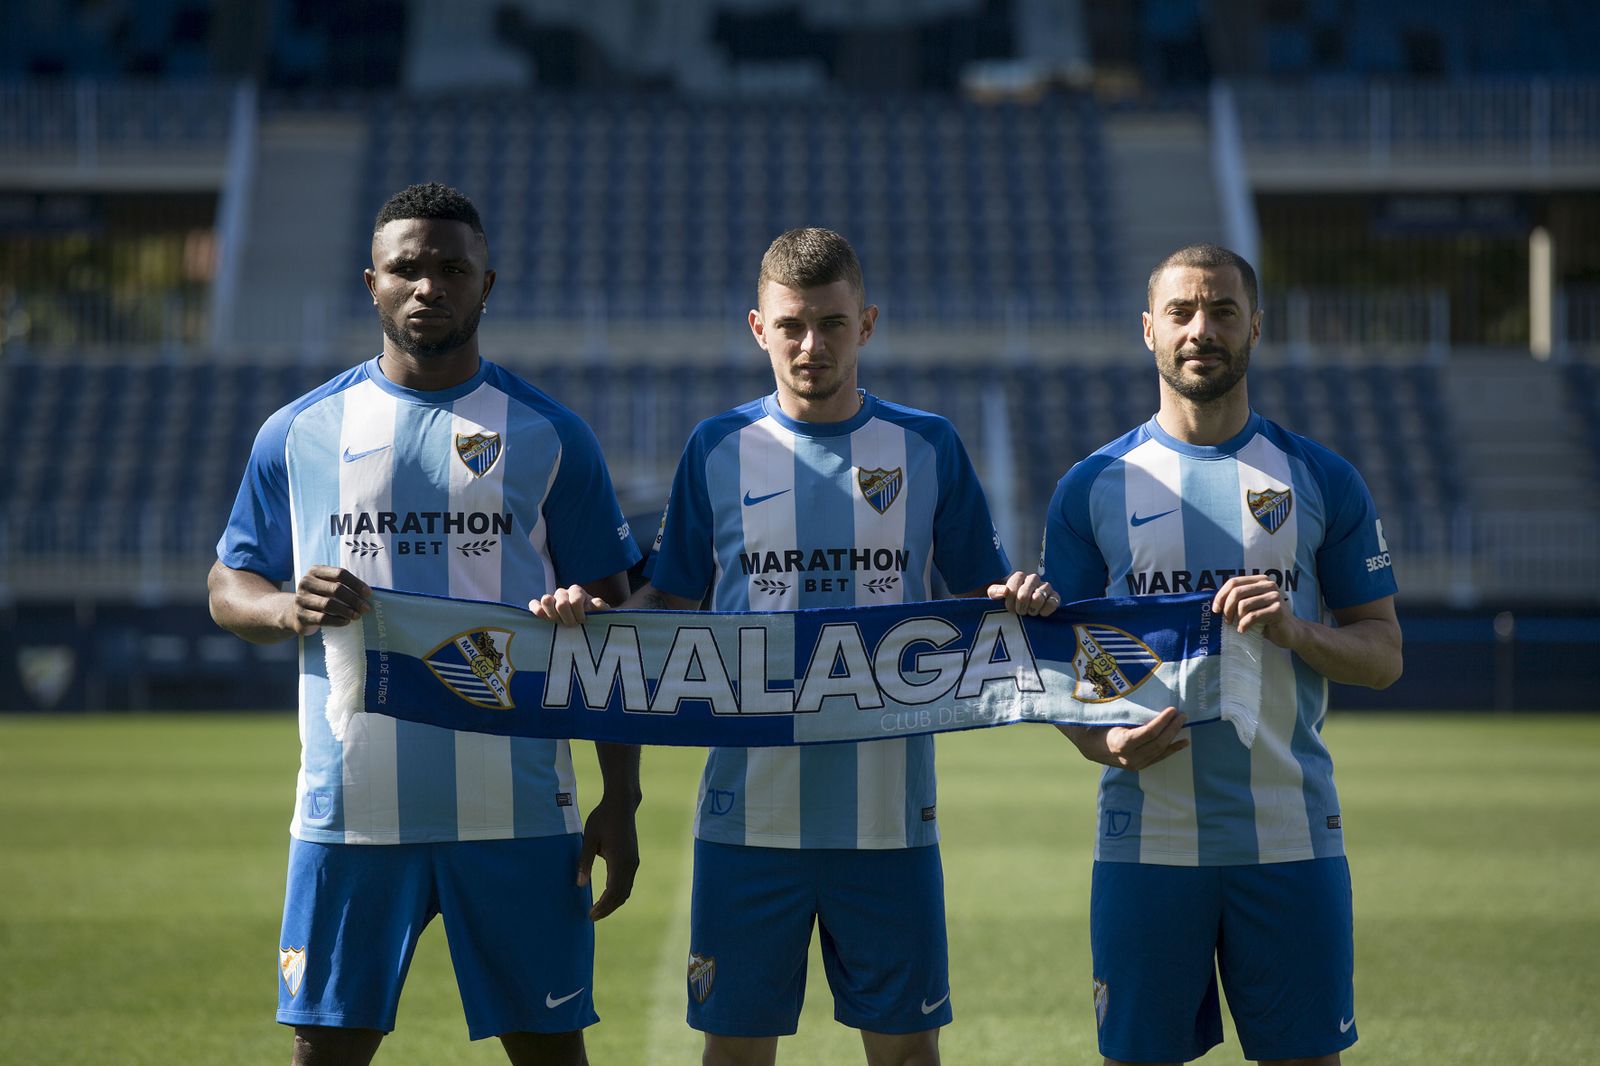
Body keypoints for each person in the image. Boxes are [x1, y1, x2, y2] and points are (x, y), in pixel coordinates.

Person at [533, 227, 1056, 1066]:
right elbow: (670, 599)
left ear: (868, 324)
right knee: (737, 1057)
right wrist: (595, 616)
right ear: (757, 327)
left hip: (890, 817)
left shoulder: (928, 447)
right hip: (747, 817)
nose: (811, 344)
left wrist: (1021, 596)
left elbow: (979, 598)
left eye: (833, 324)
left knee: (908, 1055)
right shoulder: (717, 448)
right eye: (791, 325)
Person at [208, 182, 643, 1066]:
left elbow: (617, 626)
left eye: (453, 268)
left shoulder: (553, 435)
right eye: (407, 268)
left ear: (489, 284)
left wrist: (620, 797)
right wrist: (286, 607)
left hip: (521, 812)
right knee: (325, 1055)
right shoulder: (298, 434)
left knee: (553, 1055)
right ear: (371, 283)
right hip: (350, 812)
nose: (428, 286)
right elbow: (228, 581)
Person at [1040, 244, 1403, 1066]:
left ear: (1255, 326)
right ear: (1148, 331)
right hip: (1146, 841)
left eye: (1222, 311)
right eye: (1181, 313)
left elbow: (1383, 656)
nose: (1201, 329)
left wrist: (1296, 630)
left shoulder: (1320, 477)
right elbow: (1058, 669)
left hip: (1291, 836)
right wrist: (1101, 742)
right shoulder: (1093, 484)